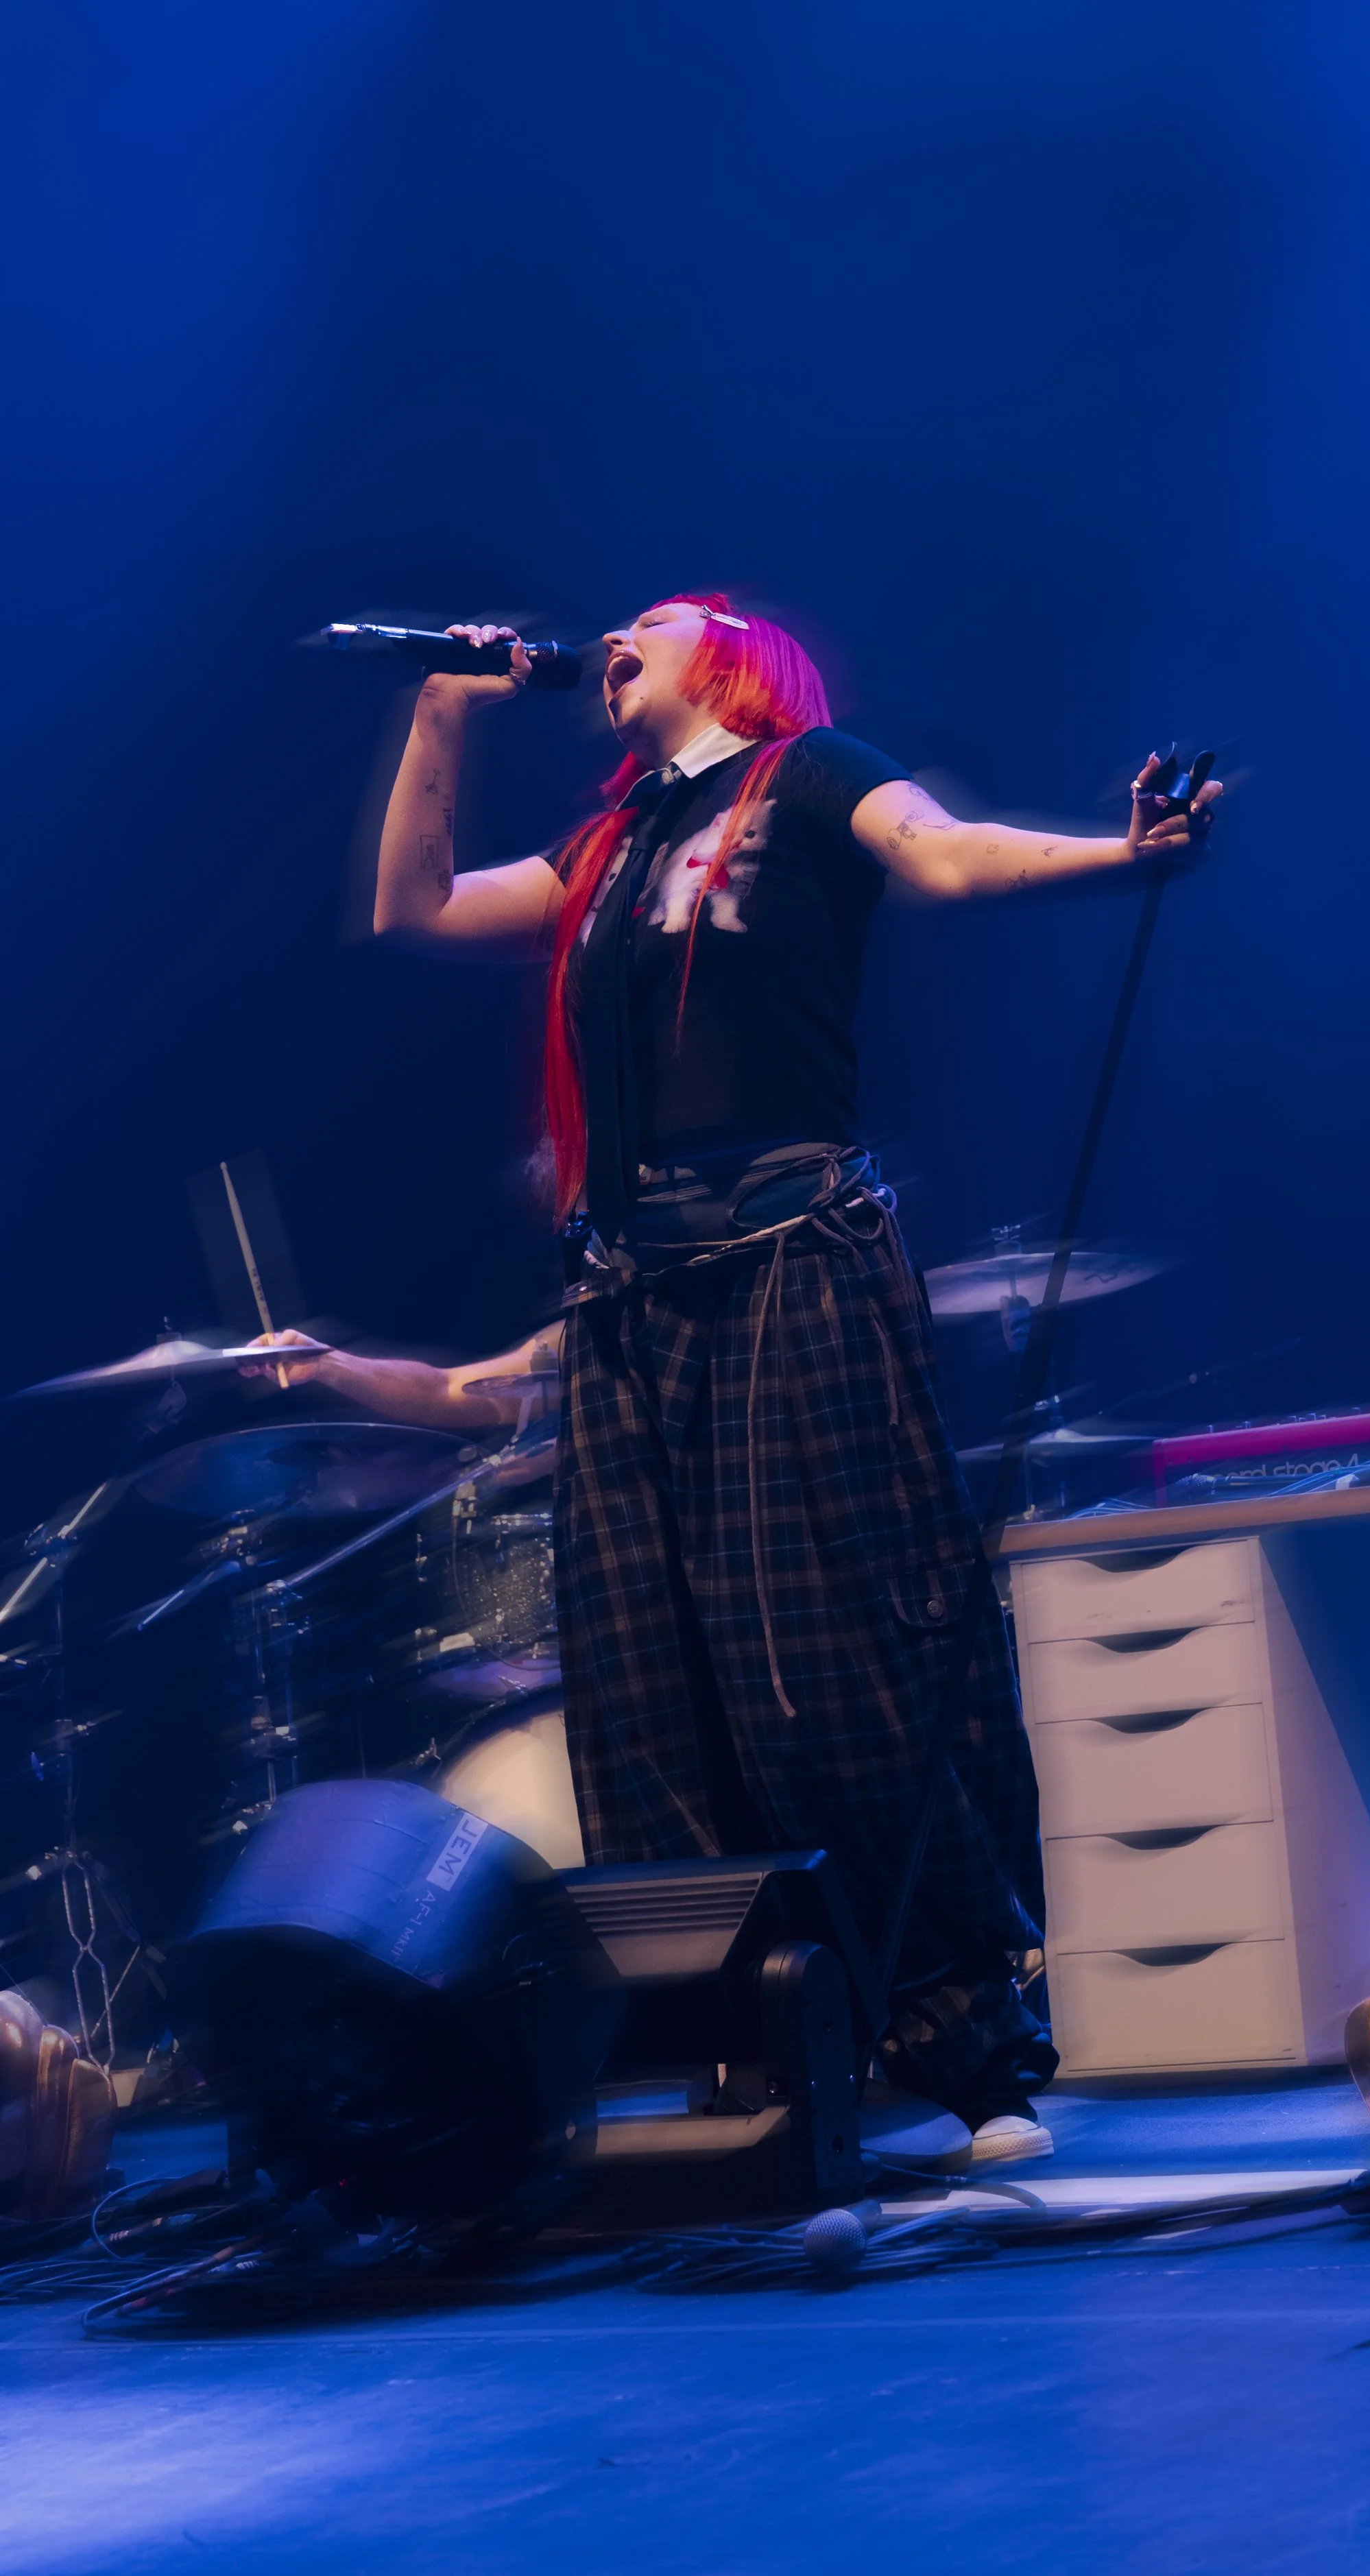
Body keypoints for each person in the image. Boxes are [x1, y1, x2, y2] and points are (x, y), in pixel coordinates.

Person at [294, 595, 1218, 2165]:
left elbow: (948, 855)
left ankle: (964, 2044)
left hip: (791, 1250)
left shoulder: (810, 774)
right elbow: (414, 906)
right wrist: (443, 705)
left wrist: (1121, 858)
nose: (611, 642)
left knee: (833, 1657)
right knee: (654, 1688)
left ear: (727, 658)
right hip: (630, 1291)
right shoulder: (602, 850)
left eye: (646, 625)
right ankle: (757, 2057)